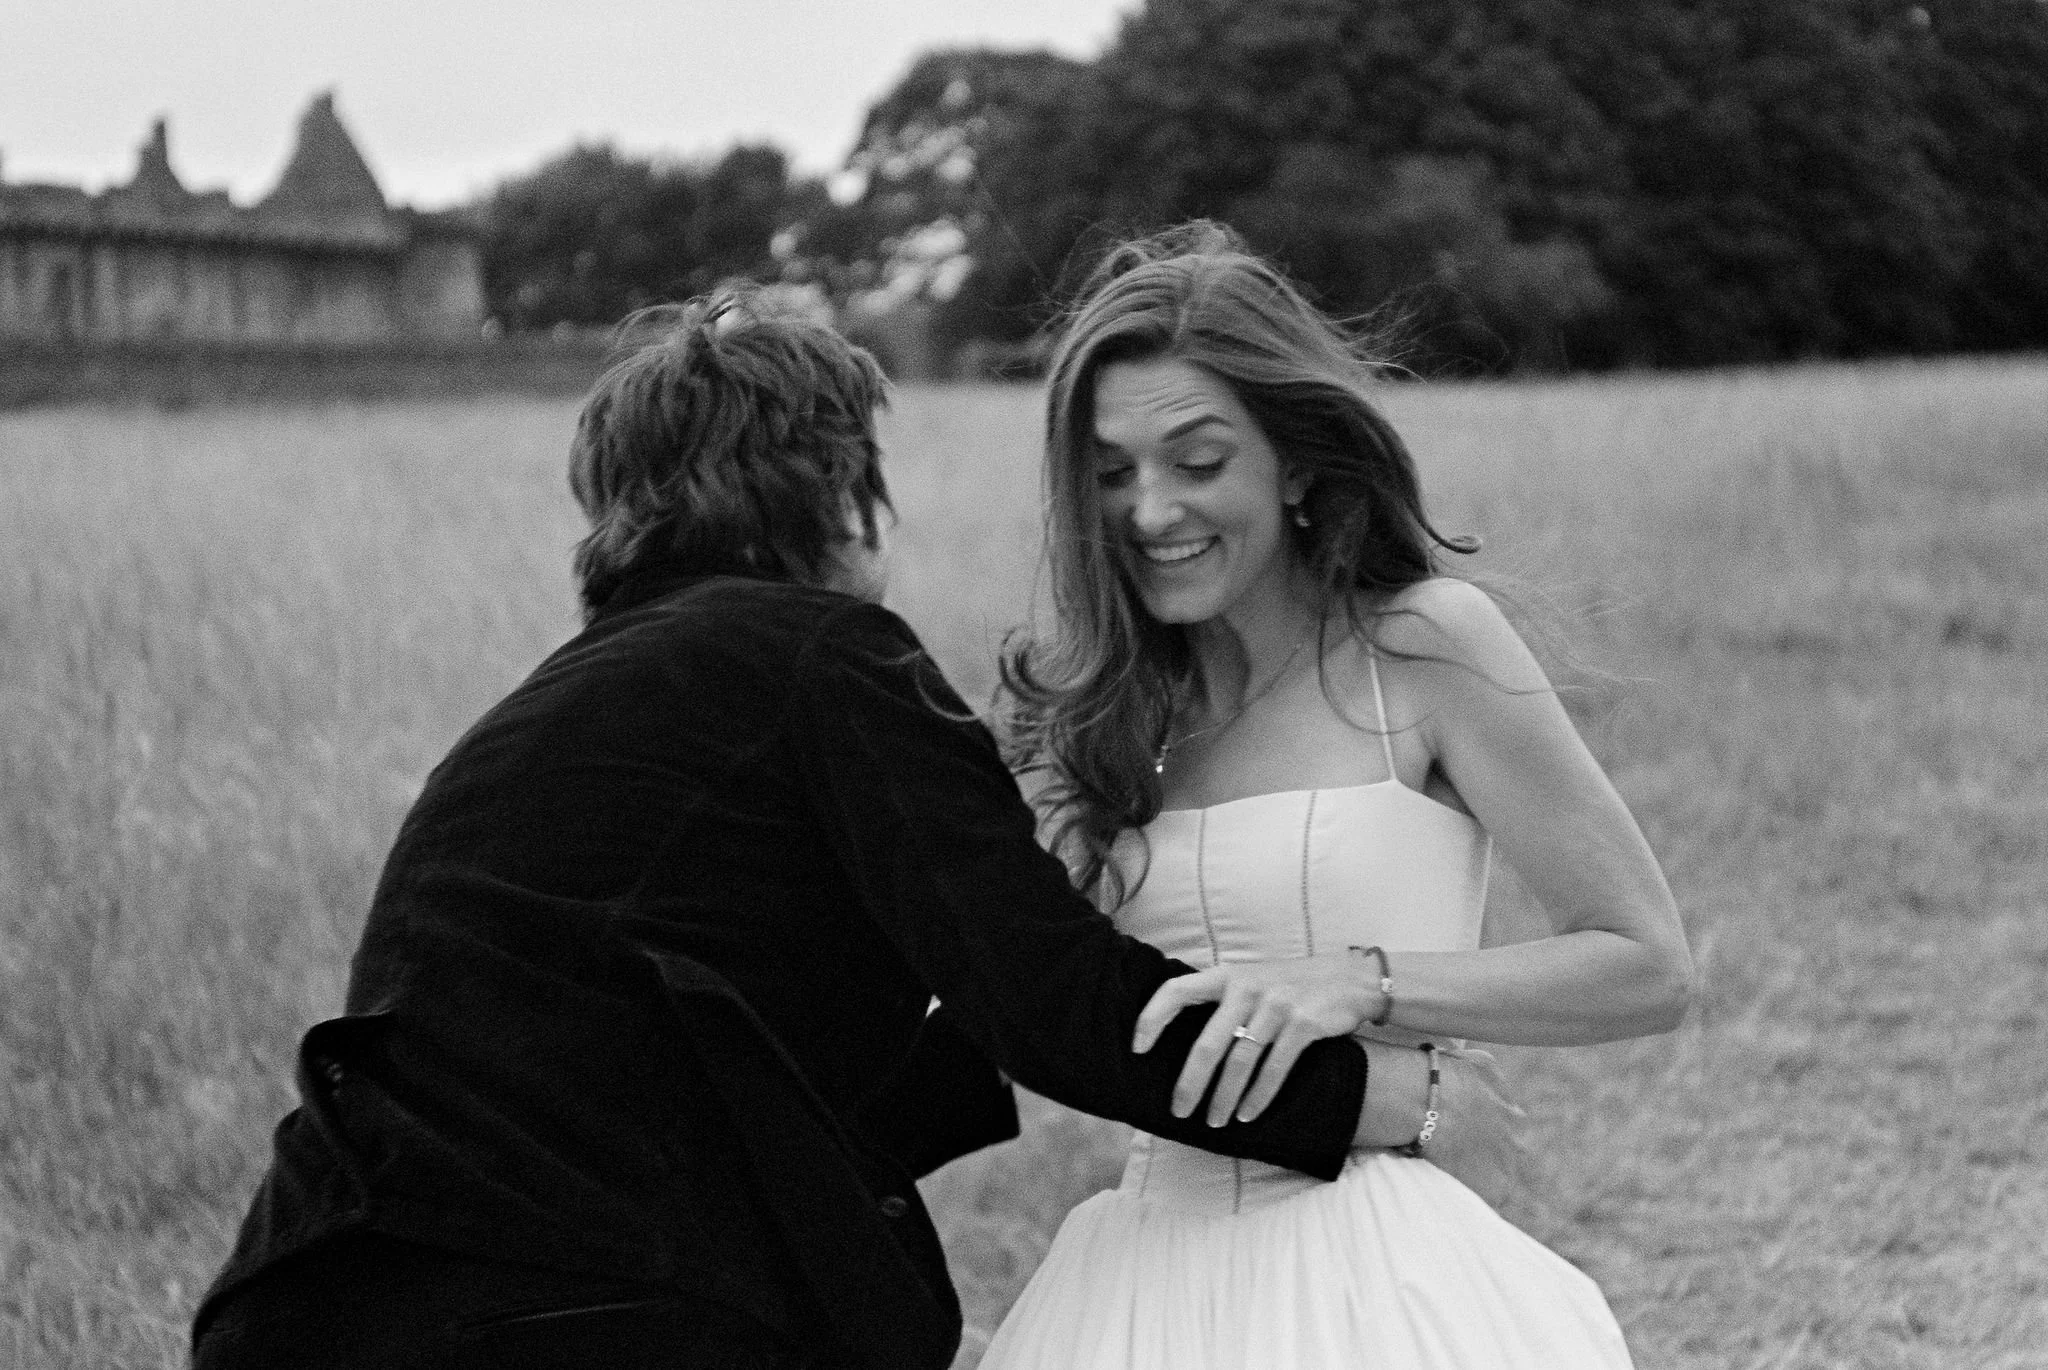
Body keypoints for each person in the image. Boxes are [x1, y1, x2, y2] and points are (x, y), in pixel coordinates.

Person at [189, 291, 1512, 1370]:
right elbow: (1046, 999)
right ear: (840, 493)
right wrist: (1369, 1095)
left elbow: (739, 1046)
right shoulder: (819, 656)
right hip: (574, 1320)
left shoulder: (551, 714)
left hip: (306, 1302)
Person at [978, 224, 1696, 1370]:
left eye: (1197, 460)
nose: (1150, 509)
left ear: (1297, 460)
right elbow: (1028, 1003)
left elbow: (1646, 963)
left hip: (1379, 1271)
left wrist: (1358, 981)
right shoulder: (1098, 714)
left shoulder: (1421, 644)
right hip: (1134, 1288)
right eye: (1112, 471)